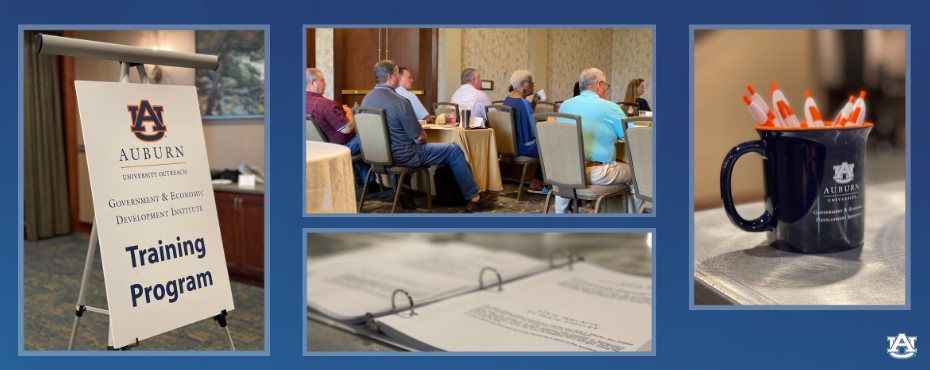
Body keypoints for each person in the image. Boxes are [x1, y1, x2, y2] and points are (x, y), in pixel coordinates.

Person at [361, 60, 495, 212]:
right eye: (398, 73)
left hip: (376, 156)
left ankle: (405, 189)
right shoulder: (400, 102)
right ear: (391, 77)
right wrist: (421, 135)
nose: (399, 77)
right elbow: (420, 138)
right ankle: (475, 199)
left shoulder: (366, 99)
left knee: (407, 143)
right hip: (403, 156)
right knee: (454, 150)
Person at [555, 68, 642, 213]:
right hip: (597, 173)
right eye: (605, 85)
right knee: (639, 175)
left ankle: (560, 216)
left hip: (567, 172)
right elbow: (635, 138)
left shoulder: (565, 106)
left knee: (568, 166)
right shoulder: (610, 108)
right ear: (598, 84)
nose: (606, 89)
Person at [305, 68, 371, 181]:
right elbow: (347, 129)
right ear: (312, 82)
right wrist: (348, 112)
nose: (325, 83)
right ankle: (370, 182)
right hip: (337, 147)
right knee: (367, 135)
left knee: (361, 141)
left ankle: (365, 180)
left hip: (314, 148)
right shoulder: (325, 104)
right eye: (322, 80)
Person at [502, 70, 545, 194]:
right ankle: (537, 182)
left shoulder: (508, 99)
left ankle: (536, 182)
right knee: (553, 145)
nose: (533, 85)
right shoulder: (523, 103)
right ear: (522, 84)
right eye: (531, 82)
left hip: (511, 146)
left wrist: (534, 102)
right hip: (524, 147)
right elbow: (532, 130)